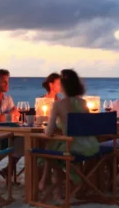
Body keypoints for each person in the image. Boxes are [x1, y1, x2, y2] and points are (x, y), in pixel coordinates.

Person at [42, 69, 100, 198]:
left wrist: (47, 128)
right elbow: (87, 126)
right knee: (56, 149)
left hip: (72, 147)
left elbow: (49, 132)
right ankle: (78, 183)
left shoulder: (58, 104)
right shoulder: (84, 103)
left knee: (51, 151)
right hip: (90, 146)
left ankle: (60, 190)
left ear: (63, 86)